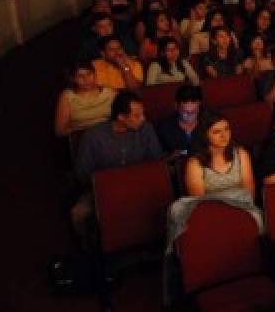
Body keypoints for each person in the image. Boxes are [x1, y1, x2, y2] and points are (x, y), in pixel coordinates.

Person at [167, 112, 262, 251]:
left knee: (256, 218)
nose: (224, 135)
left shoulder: (241, 154)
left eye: (227, 129)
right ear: (205, 135)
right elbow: (199, 203)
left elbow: (249, 192)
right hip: (211, 215)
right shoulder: (195, 163)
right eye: (217, 132)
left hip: (242, 208)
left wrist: (238, 212)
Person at [71, 91, 162, 234]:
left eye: (143, 114)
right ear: (121, 117)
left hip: (138, 186)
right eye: (137, 116)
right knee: (79, 213)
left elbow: (156, 161)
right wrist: (106, 185)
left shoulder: (146, 129)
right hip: (104, 191)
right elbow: (83, 172)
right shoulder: (93, 137)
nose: (143, 119)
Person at [54, 60, 115, 137]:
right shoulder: (67, 96)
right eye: (80, 76)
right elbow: (60, 131)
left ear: (95, 74)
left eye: (89, 74)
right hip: (82, 137)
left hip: (107, 135)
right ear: (73, 79)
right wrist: (86, 131)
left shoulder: (109, 93)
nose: (86, 80)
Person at [155, 83, 203, 156]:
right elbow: (166, 155)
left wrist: (183, 152)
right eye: (185, 112)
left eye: (193, 112)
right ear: (176, 106)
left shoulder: (208, 123)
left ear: (199, 105)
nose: (190, 116)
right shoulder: (165, 127)